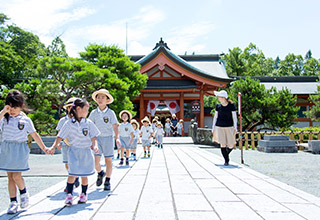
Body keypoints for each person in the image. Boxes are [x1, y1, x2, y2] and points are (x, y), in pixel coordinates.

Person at [0, 90, 50, 214]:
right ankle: (13, 202)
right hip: (7, 148)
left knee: (17, 175)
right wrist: (3, 112)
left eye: (14, 107)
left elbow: (34, 134)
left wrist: (44, 148)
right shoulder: (4, 118)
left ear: (21, 106)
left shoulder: (25, 120)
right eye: (10, 106)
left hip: (19, 149)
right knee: (10, 177)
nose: (12, 110)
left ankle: (23, 193)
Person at [50, 98, 100, 206]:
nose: (87, 112)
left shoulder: (88, 123)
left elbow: (94, 136)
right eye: (86, 109)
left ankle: (83, 194)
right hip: (74, 151)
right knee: (72, 173)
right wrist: (54, 146)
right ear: (78, 109)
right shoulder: (69, 123)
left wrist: (95, 146)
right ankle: (69, 194)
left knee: (84, 174)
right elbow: (60, 136)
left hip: (86, 151)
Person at [88, 89, 120, 191]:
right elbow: (89, 126)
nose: (100, 99)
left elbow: (115, 126)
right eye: (99, 97)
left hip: (108, 138)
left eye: (103, 97)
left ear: (107, 100)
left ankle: (107, 180)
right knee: (96, 162)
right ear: (96, 99)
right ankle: (100, 173)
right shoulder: (93, 113)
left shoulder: (111, 113)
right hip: (97, 139)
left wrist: (117, 138)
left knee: (108, 160)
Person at [55, 97, 80, 192]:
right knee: (67, 163)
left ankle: (70, 182)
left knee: (76, 162)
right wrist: (57, 143)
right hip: (65, 144)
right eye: (70, 107)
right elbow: (59, 133)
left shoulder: (80, 119)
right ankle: (74, 177)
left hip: (77, 144)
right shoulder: (63, 120)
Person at [211, 90, 237, 166]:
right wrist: (213, 128)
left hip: (229, 126)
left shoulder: (231, 105)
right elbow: (215, 117)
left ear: (224, 97)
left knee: (231, 145)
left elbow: (234, 117)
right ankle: (226, 160)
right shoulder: (218, 106)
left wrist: (235, 127)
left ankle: (226, 154)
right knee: (222, 144)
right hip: (219, 126)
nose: (218, 98)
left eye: (219, 97)